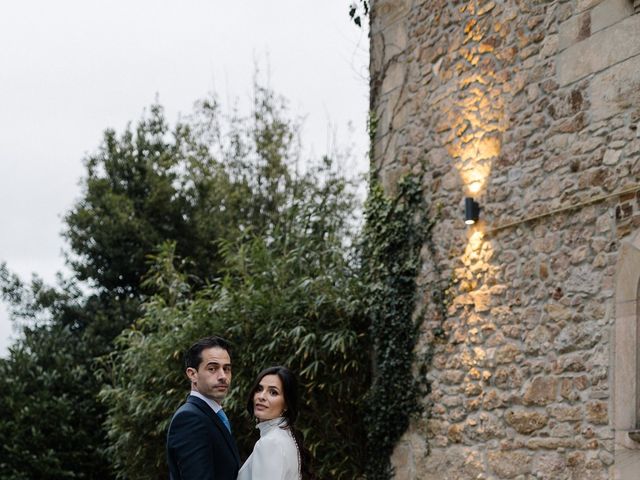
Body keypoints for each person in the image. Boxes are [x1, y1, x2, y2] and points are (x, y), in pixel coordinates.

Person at [167, 336, 240, 480]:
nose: (223, 376)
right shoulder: (189, 419)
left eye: (227, 369)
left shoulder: (211, 415)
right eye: (212, 368)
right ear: (192, 374)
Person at [237, 366, 313, 480]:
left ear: (286, 404)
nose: (261, 396)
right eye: (259, 389)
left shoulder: (270, 443)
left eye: (273, 392)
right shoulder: (286, 435)